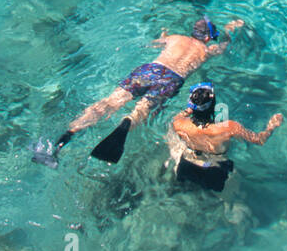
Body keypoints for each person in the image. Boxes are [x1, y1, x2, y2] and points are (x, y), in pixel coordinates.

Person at [32, 16, 245, 167]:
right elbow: (224, 47)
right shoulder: (207, 50)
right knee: (141, 110)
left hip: (149, 70)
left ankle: (64, 139)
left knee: (110, 102)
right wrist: (230, 30)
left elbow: (153, 44)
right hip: (171, 79)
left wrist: (163, 34)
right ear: (208, 37)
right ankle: (128, 121)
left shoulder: (174, 38)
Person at [166, 82, 282, 191]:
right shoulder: (229, 127)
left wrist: (192, 108)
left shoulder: (179, 123)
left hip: (187, 167)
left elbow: (179, 116)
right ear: (214, 106)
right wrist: (271, 126)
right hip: (215, 170)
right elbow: (259, 140)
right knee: (236, 199)